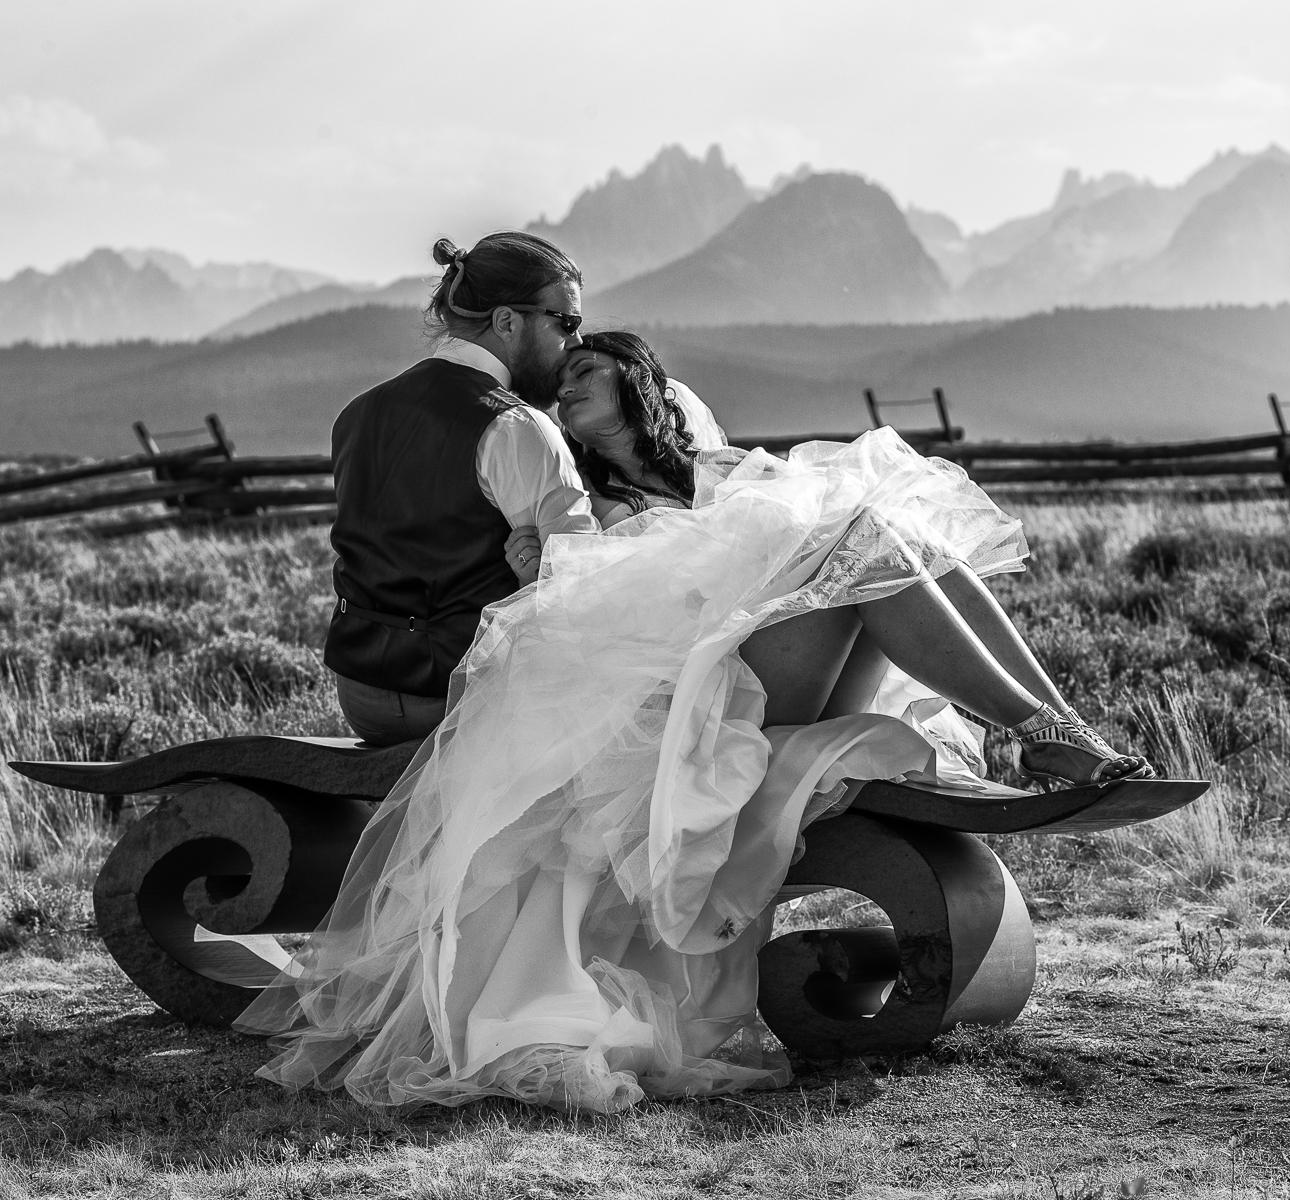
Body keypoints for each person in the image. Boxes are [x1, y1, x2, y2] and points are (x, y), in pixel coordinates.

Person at [237, 329, 1152, 1113]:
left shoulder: (720, 477)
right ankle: (1046, 732)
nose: (567, 384)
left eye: (587, 370)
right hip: (688, 702)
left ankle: (1059, 726)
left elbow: (773, 560)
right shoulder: (580, 501)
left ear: (638, 387)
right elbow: (571, 617)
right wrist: (543, 562)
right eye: (563, 375)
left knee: (888, 535)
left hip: (768, 670)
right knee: (869, 544)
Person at [323, 232, 594, 747]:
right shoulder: (518, 426)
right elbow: (579, 581)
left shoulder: (357, 413)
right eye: (566, 323)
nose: (576, 343)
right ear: (507, 321)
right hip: (461, 697)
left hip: (359, 693)